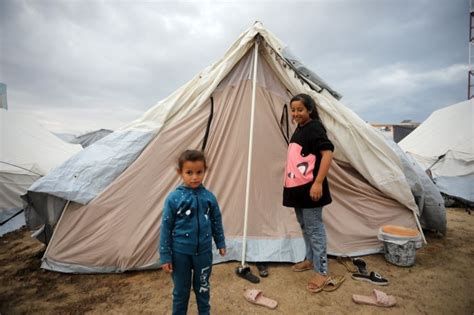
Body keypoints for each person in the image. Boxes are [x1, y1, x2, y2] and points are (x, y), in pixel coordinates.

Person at [159, 150, 226, 315]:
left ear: (204, 170)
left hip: (203, 253)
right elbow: (166, 227)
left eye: (199, 172)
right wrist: (165, 256)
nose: (194, 177)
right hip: (180, 254)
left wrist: (220, 242)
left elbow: (216, 221)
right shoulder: (173, 198)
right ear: (180, 172)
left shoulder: (209, 197)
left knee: (203, 288)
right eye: (189, 173)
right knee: (181, 291)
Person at [282, 93, 334, 282]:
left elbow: (327, 154)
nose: (295, 113)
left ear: (310, 110)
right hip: (298, 188)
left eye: (300, 110)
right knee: (305, 226)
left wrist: (318, 182)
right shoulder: (300, 128)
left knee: (315, 228)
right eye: (293, 110)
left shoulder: (315, 128)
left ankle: (322, 272)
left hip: (311, 189)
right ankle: (310, 259)